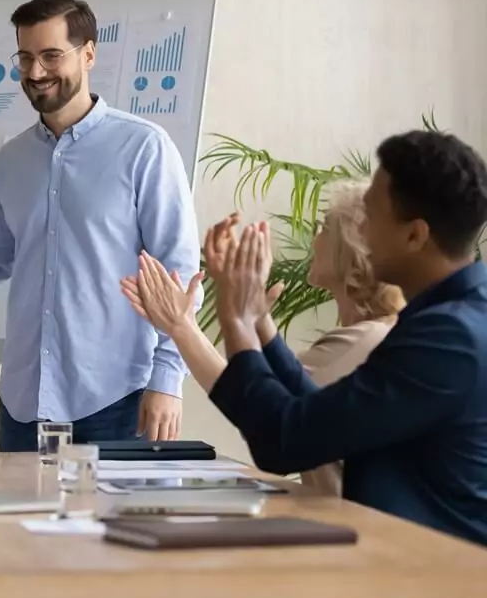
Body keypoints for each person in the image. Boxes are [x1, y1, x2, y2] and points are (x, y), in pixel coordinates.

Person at [140, 131, 487, 598]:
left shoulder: (449, 340)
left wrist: (238, 322)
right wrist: (256, 319)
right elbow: (321, 421)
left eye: (370, 215)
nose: (360, 230)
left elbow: (286, 442)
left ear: (415, 235)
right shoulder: (448, 322)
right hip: (379, 580)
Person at [0, 0, 201, 454]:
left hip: (120, 401)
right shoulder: (11, 160)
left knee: (122, 529)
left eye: (52, 55)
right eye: (26, 57)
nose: (36, 72)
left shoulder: (144, 149)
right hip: (23, 405)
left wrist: (168, 378)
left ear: (89, 53)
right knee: (19, 527)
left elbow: (178, 274)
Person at [122, 179, 406, 495]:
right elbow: (273, 381)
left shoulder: (360, 342)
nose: (314, 239)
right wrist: (251, 309)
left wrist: (181, 326)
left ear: (354, 247)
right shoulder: (372, 335)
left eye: (325, 227)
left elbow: (254, 402)